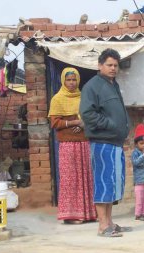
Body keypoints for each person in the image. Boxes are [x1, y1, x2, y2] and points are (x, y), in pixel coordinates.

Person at [80, 48, 131, 237]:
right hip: (102, 142)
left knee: (112, 184)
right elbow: (87, 114)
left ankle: (109, 222)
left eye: (115, 65)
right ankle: (102, 226)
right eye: (109, 65)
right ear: (100, 65)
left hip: (115, 142)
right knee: (103, 183)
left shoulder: (113, 84)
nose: (113, 68)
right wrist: (110, 125)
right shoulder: (92, 86)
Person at [48, 67, 97, 224]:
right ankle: (70, 216)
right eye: (68, 80)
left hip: (84, 142)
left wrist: (84, 124)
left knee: (85, 177)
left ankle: (87, 214)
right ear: (63, 80)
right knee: (70, 179)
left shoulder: (84, 97)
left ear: (78, 80)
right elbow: (55, 123)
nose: (71, 83)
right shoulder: (57, 99)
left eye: (74, 79)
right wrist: (74, 122)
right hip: (68, 144)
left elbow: (92, 116)